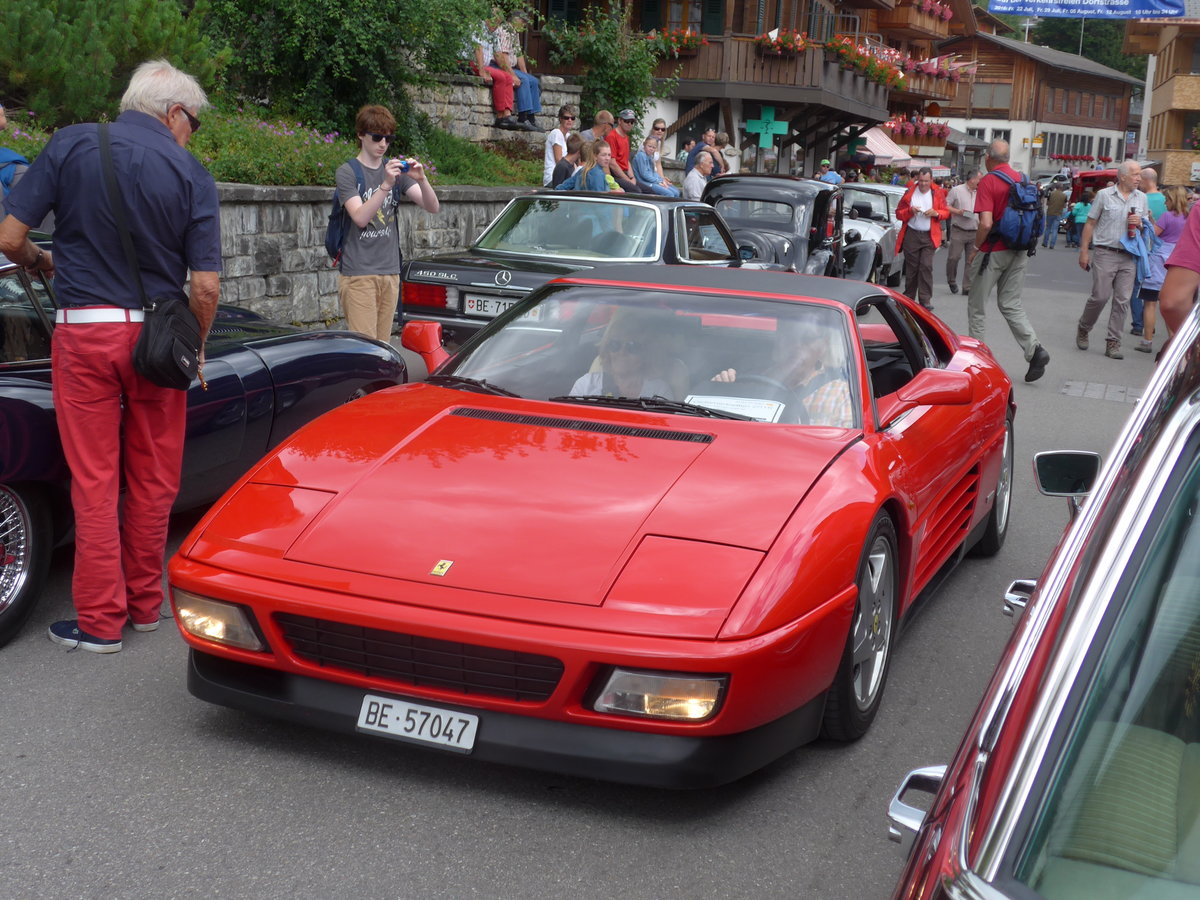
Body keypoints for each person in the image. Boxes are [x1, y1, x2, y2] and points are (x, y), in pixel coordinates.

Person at [0, 59, 221, 653]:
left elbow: (9, 238)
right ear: (174, 112)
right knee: (153, 478)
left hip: (85, 335)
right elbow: (204, 286)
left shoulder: (70, 144)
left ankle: (100, 623)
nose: (190, 135)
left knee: (95, 482)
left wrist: (46, 263)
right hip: (156, 341)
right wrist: (195, 349)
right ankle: (147, 607)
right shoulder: (191, 174)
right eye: (192, 124)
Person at [336, 104, 440, 342]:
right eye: (377, 137)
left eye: (388, 138)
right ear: (361, 135)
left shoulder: (394, 171)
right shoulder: (348, 172)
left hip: (390, 272)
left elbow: (433, 206)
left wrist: (422, 180)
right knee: (365, 349)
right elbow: (360, 218)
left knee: (383, 347)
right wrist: (385, 185)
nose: (383, 144)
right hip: (359, 274)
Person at [966, 140, 1049, 382]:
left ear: (988, 158)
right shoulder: (1023, 179)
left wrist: (975, 248)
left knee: (977, 306)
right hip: (1020, 250)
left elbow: (986, 223)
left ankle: (977, 362)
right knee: (1011, 303)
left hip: (994, 250)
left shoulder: (989, 181)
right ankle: (1035, 350)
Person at [709, 318, 854, 427]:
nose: (796, 347)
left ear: (823, 346)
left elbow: (842, 451)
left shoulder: (842, 395)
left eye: (807, 339)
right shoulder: (744, 382)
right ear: (779, 343)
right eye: (790, 337)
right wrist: (720, 391)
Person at [1076, 159, 1146, 360]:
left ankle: (1113, 342)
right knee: (1100, 296)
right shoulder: (1104, 195)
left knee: (1122, 300)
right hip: (1105, 252)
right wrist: (1084, 251)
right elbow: (1090, 223)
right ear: (1122, 176)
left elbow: (1147, 226)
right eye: (1135, 174)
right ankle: (1084, 327)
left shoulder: (1141, 198)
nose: (1138, 178)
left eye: (1139, 174)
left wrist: (1140, 222)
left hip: (1129, 255)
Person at [1136, 184, 1189, 353]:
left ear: (1173, 200)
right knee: (1171, 303)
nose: (1165, 203)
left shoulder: (1167, 217)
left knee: (1150, 302)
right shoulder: (1190, 217)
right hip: (1179, 260)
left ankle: (1147, 341)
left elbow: (1154, 235)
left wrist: (1148, 223)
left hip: (1160, 259)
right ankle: (1174, 341)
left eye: (1167, 199)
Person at [570, 317, 673, 398]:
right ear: (607, 349)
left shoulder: (659, 391)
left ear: (646, 355)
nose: (622, 352)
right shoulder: (586, 385)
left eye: (632, 347)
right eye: (615, 345)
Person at [895, 166, 949, 310]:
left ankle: (925, 299)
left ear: (931, 180)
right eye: (921, 181)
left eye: (926, 181)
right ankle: (909, 298)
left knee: (926, 266)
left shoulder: (937, 192)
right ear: (917, 179)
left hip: (929, 235)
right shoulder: (910, 192)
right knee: (912, 268)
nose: (923, 184)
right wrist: (910, 211)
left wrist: (936, 213)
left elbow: (945, 212)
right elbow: (898, 213)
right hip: (912, 234)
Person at [1130, 167, 1166, 337]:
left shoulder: (1140, 199)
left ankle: (1138, 324)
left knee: (1137, 286)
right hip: (1161, 252)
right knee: (1153, 290)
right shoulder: (1166, 200)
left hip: (1141, 248)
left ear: (1145, 180)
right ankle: (1149, 324)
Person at [491, 13, 541, 130]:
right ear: (516, 20)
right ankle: (523, 117)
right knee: (523, 80)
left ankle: (531, 117)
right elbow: (503, 56)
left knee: (533, 81)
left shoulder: (514, 33)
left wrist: (525, 72)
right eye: (523, 22)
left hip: (511, 67)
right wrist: (512, 75)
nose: (524, 26)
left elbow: (519, 55)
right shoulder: (505, 31)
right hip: (500, 66)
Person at [467, 26, 520, 130]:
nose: (496, 25)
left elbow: (498, 54)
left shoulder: (494, 33)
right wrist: (481, 69)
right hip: (474, 63)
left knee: (508, 78)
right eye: (495, 22)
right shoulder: (478, 27)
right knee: (500, 77)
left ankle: (507, 113)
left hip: (486, 65)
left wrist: (511, 73)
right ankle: (500, 115)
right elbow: (478, 49)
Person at [945, 170, 980, 295]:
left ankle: (967, 287)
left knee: (971, 260)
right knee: (954, 257)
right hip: (959, 229)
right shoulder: (957, 190)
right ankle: (951, 280)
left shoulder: (980, 192)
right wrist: (959, 211)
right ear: (972, 179)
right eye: (979, 179)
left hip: (975, 230)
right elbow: (945, 206)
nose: (980, 182)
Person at [606, 109, 641, 193]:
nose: (629, 124)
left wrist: (632, 177)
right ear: (619, 121)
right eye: (626, 121)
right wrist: (627, 180)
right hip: (616, 175)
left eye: (632, 122)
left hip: (625, 174)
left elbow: (626, 160)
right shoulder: (612, 136)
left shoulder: (626, 137)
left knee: (649, 191)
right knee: (637, 191)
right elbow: (612, 163)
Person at [543, 104, 576, 186]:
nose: (569, 120)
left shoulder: (568, 136)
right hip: (553, 178)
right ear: (560, 119)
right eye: (566, 118)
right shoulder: (556, 133)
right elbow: (559, 160)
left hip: (565, 177)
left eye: (572, 118)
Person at [1042, 183, 1068, 250]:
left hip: (1050, 212)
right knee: (1055, 229)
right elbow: (1065, 205)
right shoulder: (1064, 195)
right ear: (1061, 187)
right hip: (1058, 213)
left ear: (1055, 187)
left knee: (1048, 228)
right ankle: (1052, 244)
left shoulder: (1051, 193)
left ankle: (1045, 243)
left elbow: (1047, 203)